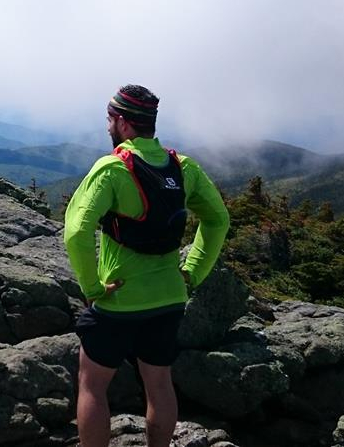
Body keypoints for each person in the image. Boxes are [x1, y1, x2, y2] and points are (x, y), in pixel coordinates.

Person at [63, 84, 230, 447]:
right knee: (159, 382)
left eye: (110, 119)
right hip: (169, 297)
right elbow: (218, 220)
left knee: (92, 384)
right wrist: (193, 273)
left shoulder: (112, 169)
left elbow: (77, 232)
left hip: (118, 301)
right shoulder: (183, 167)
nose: (107, 126)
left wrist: (92, 288)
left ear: (123, 123)